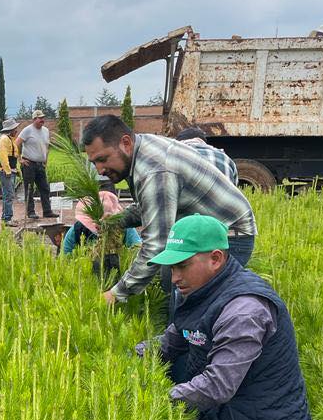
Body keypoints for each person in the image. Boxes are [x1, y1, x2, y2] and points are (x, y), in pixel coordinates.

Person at [137, 214, 312, 420]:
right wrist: (125, 363)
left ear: (215, 259)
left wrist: (157, 399)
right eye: (170, 268)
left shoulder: (244, 309)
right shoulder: (201, 294)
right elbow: (171, 342)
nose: (174, 278)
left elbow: (218, 385)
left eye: (182, 266)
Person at [82, 115, 256, 306]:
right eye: (93, 163)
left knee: (195, 308)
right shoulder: (142, 150)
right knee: (172, 290)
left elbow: (156, 244)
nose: (99, 170)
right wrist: (118, 220)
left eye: (103, 159)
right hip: (193, 232)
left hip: (227, 236)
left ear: (126, 143)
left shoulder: (155, 169)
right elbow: (151, 207)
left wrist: (117, 293)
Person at [62, 176, 142, 256]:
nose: (100, 224)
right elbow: (65, 257)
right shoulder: (77, 230)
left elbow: (137, 250)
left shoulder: (126, 229)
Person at [16, 110, 57, 220]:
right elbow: (16, 144)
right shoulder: (27, 130)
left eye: (43, 118)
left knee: (44, 188)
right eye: (40, 118)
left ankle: (47, 211)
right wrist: (20, 159)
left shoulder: (46, 131)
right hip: (29, 164)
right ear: (34, 119)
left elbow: (46, 147)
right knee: (29, 188)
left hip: (40, 165)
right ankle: (31, 212)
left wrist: (45, 161)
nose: (42, 120)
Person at [0, 117, 20, 224]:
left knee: (8, 194)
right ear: (10, 129)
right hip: (5, 172)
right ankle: (7, 218)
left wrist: (16, 169)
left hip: (10, 171)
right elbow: (3, 156)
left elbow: (13, 156)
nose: (16, 130)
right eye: (15, 128)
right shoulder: (4, 139)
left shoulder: (10, 139)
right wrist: (8, 170)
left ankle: (5, 217)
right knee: (8, 195)